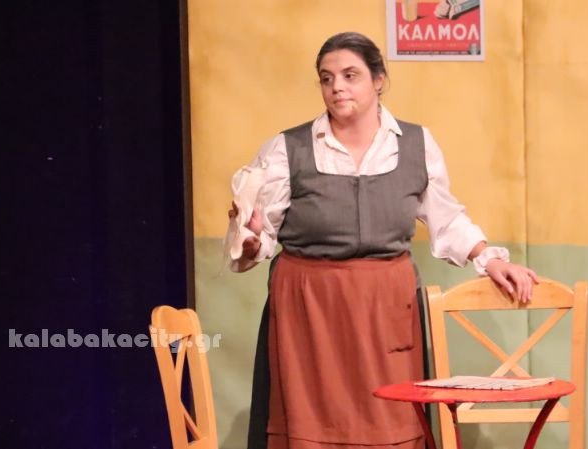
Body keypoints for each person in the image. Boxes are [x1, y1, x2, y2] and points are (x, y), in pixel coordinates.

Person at [226, 32, 538, 449]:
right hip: (309, 308)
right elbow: (259, 235)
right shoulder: (287, 149)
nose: (337, 87)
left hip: (385, 306)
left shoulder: (416, 144)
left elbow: (446, 218)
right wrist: (249, 241)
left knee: (391, 420)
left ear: (378, 80)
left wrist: (491, 259)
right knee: (311, 424)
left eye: (350, 75)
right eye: (326, 78)